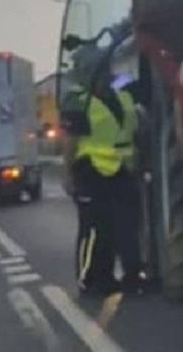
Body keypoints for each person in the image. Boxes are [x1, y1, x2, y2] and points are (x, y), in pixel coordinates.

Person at [61, 46, 144, 297]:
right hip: (91, 172)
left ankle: (132, 277)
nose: (105, 76)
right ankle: (90, 279)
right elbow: (70, 141)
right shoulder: (78, 100)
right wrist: (68, 174)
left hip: (123, 170)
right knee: (95, 229)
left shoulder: (123, 96)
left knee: (127, 227)